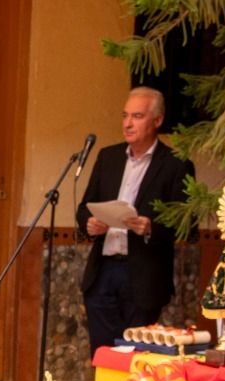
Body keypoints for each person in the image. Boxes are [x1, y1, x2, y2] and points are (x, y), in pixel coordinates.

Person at [75, 86, 194, 355]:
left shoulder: (176, 164)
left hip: (143, 274)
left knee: (136, 359)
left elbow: (187, 223)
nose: (128, 124)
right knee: (103, 356)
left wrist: (151, 227)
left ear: (157, 120)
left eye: (137, 116)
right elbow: (84, 207)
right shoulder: (108, 157)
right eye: (125, 116)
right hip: (103, 271)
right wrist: (89, 224)